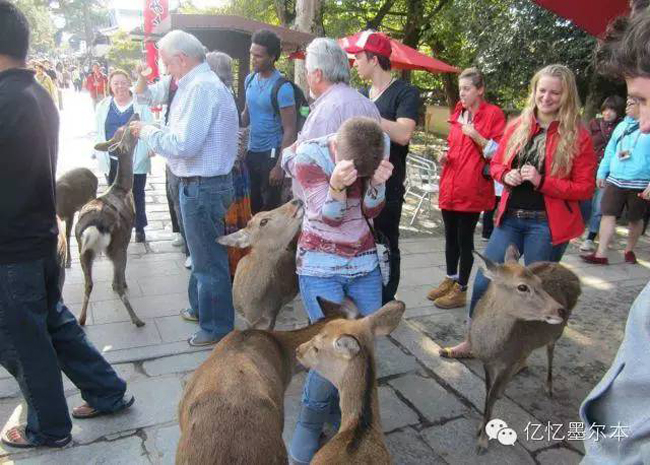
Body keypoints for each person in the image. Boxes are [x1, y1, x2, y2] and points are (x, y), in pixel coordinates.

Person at [0, 1, 134, 449]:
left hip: (12, 247)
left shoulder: (5, 100)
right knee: (54, 324)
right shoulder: (37, 94)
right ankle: (107, 391)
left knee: (23, 340)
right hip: (38, 240)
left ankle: (49, 426)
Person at [440, 64, 597, 359]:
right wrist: (505, 175)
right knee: (487, 279)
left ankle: (516, 355)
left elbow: (585, 188)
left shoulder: (578, 135)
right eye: (542, 90)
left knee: (533, 295)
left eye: (555, 92)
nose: (547, 97)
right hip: (510, 219)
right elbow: (497, 164)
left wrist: (543, 182)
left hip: (547, 225)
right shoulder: (518, 125)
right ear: (534, 91)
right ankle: (473, 341)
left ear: (566, 96)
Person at [286, 117, 393, 465]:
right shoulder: (309, 157)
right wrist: (334, 186)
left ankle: (348, 417)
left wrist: (376, 185)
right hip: (320, 263)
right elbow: (328, 215)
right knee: (328, 349)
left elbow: (372, 211)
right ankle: (310, 420)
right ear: (336, 149)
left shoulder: (379, 148)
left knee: (361, 349)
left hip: (363, 261)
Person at [131, 30, 239, 347]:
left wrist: (148, 132)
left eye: (166, 62)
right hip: (200, 185)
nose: (164, 69)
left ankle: (217, 328)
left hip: (203, 187)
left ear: (182, 58)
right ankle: (203, 311)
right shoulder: (193, 84)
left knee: (208, 261)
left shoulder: (202, 88)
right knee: (201, 257)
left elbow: (184, 144)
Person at [577, 10, 650, 464]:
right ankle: (605, 248)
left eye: (642, 100)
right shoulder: (625, 129)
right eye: (634, 104)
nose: (642, 122)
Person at [346, 31, 421, 303]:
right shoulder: (362, 93)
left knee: (387, 243)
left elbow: (403, 134)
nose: (354, 63)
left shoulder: (405, 93)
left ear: (374, 59)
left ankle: (387, 301)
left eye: (358, 57)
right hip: (360, 185)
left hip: (389, 186)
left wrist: (369, 113)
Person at [426, 68, 506, 309]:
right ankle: (450, 280)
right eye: (460, 88)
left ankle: (461, 288)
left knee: (464, 240)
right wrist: (445, 156)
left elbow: (501, 152)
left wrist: (477, 136)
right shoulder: (457, 114)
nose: (461, 93)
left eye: (467, 89)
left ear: (480, 90)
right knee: (449, 237)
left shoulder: (493, 115)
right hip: (450, 185)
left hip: (472, 189)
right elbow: (455, 148)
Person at [282, 37, 381, 200]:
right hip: (361, 213)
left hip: (325, 214)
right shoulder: (368, 105)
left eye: (307, 72)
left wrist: (287, 156)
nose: (307, 77)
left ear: (317, 75)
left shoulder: (325, 113)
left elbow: (309, 170)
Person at [580, 97, 650, 265]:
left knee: (635, 218)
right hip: (616, 179)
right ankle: (601, 254)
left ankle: (629, 249)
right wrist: (602, 173)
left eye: (631, 104)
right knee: (607, 214)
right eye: (627, 103)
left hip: (640, 182)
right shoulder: (622, 126)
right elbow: (610, 150)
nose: (626, 107)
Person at [207, 50, 253, 276]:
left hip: (227, 170)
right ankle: (239, 267)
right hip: (237, 168)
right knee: (239, 220)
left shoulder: (215, 95)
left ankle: (233, 269)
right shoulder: (229, 93)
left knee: (229, 222)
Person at [241, 29, 296, 214]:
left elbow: (290, 129)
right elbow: (246, 116)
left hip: (271, 156)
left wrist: (280, 166)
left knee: (269, 212)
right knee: (252, 208)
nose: (253, 59)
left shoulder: (282, 87)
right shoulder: (249, 80)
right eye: (251, 54)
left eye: (258, 56)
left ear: (272, 57)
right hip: (252, 153)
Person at [94, 69, 153, 243]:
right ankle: (117, 226)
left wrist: (151, 147)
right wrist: (96, 150)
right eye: (115, 83)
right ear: (110, 86)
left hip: (135, 159)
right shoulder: (103, 105)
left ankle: (139, 227)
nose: (120, 86)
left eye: (123, 82)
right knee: (113, 195)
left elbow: (150, 127)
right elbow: (99, 130)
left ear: (129, 83)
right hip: (112, 159)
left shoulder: (139, 105)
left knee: (137, 194)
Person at [580, 95, 626, 252]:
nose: (608, 113)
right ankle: (583, 229)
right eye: (606, 109)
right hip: (589, 169)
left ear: (619, 111)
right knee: (585, 202)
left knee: (599, 206)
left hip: (608, 172)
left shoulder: (623, 127)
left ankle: (590, 237)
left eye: (612, 109)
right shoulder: (594, 124)